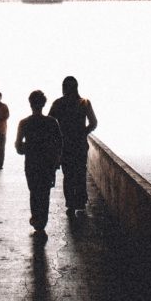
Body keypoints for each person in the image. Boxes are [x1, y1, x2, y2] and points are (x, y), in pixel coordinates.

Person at [14, 90, 63, 234]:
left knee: (34, 192)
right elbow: (59, 143)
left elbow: (18, 147)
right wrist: (56, 160)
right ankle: (42, 221)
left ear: (30, 104)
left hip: (31, 163)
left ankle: (36, 219)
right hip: (48, 163)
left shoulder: (24, 123)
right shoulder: (52, 122)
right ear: (44, 104)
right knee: (45, 192)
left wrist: (26, 149)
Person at [48, 76, 98, 216]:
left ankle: (70, 204)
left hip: (65, 145)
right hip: (80, 145)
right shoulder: (84, 103)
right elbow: (93, 123)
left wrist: (57, 137)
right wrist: (83, 132)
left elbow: (50, 122)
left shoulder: (58, 103)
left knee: (68, 175)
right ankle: (80, 203)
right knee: (80, 173)